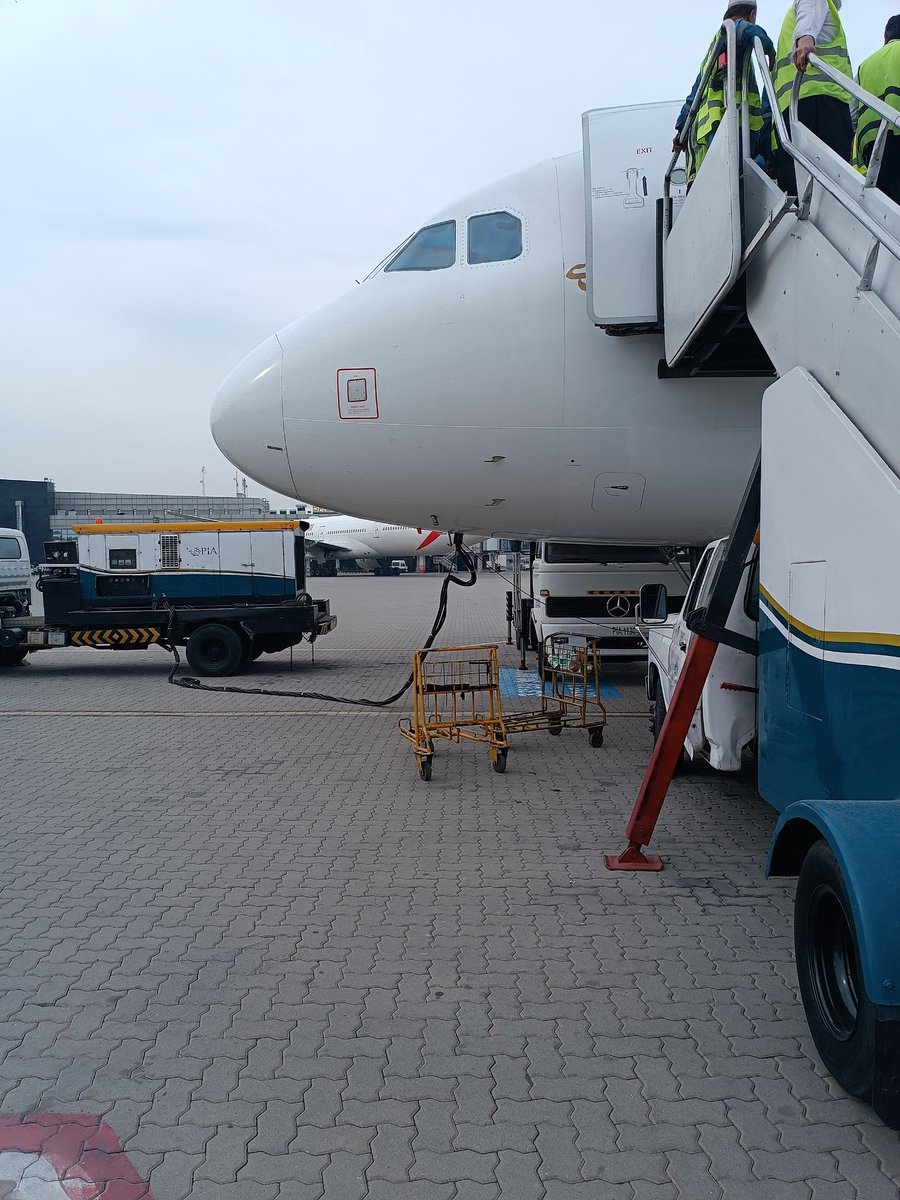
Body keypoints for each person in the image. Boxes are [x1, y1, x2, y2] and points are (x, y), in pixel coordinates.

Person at [674, 4, 775, 184]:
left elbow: (692, 96)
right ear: (751, 14)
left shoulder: (713, 50)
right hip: (733, 121)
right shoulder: (731, 31)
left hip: (713, 126)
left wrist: (680, 130)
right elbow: (748, 30)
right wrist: (770, 50)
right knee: (741, 176)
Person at [773, 0, 854, 193]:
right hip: (822, 102)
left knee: (796, 184)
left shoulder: (788, 21)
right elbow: (807, 18)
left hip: (792, 107)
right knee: (833, 183)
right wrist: (806, 41)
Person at [852, 15, 900, 204]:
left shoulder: (865, 65)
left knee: (884, 203)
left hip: (873, 145)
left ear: (885, 35)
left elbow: (853, 113)